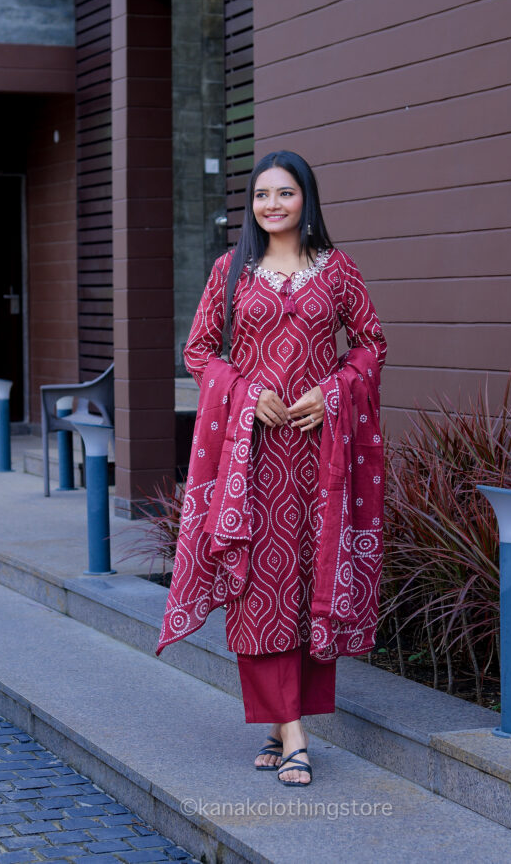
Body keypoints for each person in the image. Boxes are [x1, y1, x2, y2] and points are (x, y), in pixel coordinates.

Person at [156, 150, 387, 786]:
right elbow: (200, 351)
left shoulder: (338, 273)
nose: (272, 205)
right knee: (259, 584)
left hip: (321, 459)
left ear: (305, 200)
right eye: (262, 195)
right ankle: (294, 734)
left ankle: (281, 720)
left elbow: (371, 344)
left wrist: (332, 391)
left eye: (285, 194)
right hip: (250, 461)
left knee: (309, 578)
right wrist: (245, 391)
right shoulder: (232, 271)